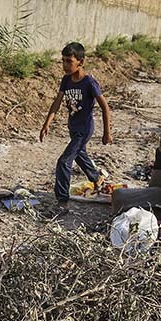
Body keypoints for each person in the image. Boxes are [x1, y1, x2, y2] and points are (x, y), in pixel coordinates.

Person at [40, 42, 112, 213]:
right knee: (79, 155)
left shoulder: (89, 82)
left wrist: (107, 133)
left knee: (64, 161)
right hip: (73, 128)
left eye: (69, 61)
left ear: (80, 61)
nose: (65, 65)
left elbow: (105, 107)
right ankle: (97, 178)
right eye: (63, 61)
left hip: (85, 129)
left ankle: (62, 200)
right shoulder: (66, 80)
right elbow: (56, 103)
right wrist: (46, 124)